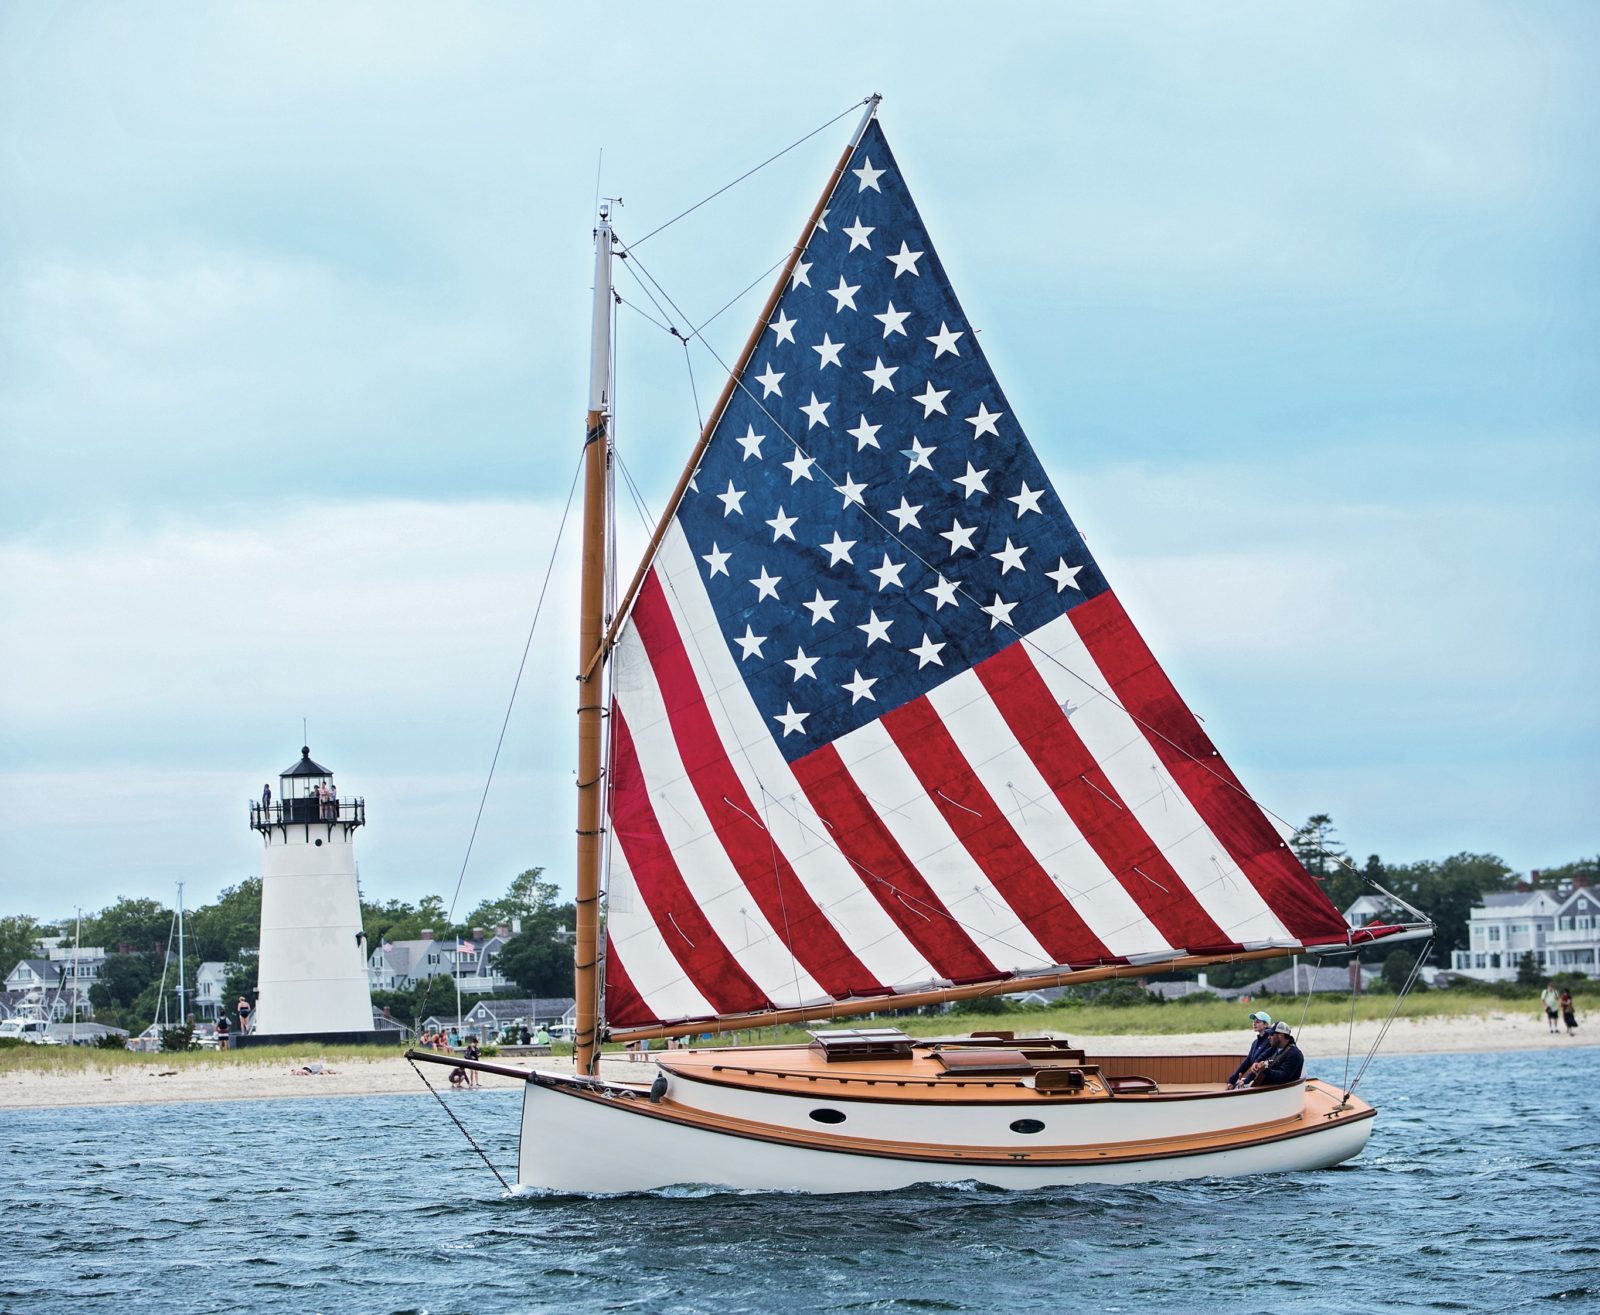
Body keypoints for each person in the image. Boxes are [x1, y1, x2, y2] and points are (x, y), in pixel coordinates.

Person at [1245, 1021, 1304, 1087]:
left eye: (1271, 1034)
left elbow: (1283, 1077)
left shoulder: (1294, 1054)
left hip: (1281, 1092)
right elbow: (1261, 1057)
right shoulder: (1275, 1048)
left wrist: (1265, 1069)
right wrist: (1256, 1063)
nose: (1268, 1037)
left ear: (1280, 1035)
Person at [1227, 1010, 1275, 1089]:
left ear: (1266, 1024)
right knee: (1235, 1085)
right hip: (1254, 1078)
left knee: (1239, 1086)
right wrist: (1232, 1080)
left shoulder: (1271, 1041)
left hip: (1265, 1080)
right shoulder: (1255, 1043)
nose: (1254, 1023)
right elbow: (1247, 1062)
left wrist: (1246, 1081)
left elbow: (1261, 1065)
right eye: (1253, 1021)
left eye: (1258, 1022)